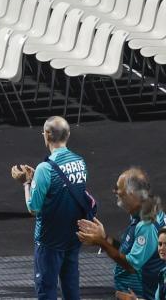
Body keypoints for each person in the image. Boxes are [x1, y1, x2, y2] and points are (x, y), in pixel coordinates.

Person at [11, 115, 93, 300]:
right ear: (68, 134)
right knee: (71, 287)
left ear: (46, 135)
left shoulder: (44, 169)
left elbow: (34, 207)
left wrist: (26, 183)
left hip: (49, 239)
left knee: (46, 289)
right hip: (73, 236)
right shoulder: (80, 162)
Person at [74, 167, 162, 300]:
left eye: (118, 188)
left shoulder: (146, 225)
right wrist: (105, 238)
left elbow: (131, 265)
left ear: (131, 193)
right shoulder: (141, 213)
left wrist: (101, 242)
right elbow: (129, 252)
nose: (114, 191)